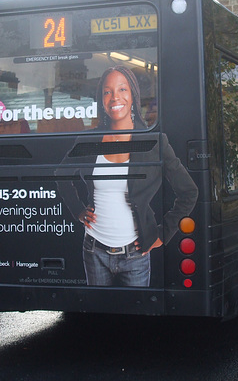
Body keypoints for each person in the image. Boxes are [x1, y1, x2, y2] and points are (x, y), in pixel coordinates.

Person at [57, 65, 198, 287]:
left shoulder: (154, 142)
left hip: (136, 255)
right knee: (98, 319)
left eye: (122, 89)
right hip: (94, 251)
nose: (115, 97)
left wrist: (162, 234)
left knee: (136, 320)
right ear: (101, 99)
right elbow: (61, 175)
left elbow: (189, 192)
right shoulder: (87, 141)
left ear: (133, 95)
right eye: (107, 91)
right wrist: (77, 210)